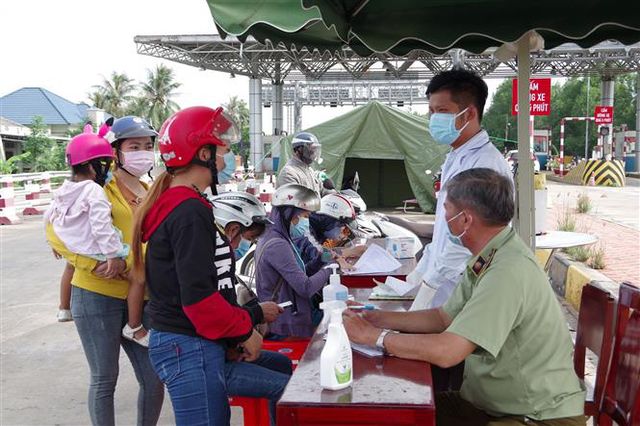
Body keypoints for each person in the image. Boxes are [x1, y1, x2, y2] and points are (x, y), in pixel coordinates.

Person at [344, 168, 586, 426]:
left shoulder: (508, 271)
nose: (443, 218)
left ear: (465, 219)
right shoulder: (490, 256)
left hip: (534, 417)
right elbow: (443, 317)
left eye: (446, 209)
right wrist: (377, 318)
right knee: (393, 412)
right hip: (490, 405)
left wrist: (375, 338)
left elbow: (449, 351)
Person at [132, 106, 291, 426]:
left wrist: (233, 336)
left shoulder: (181, 203)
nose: (226, 161)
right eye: (223, 152)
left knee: (283, 375)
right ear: (203, 153)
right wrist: (246, 331)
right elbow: (200, 301)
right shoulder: (189, 212)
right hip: (186, 346)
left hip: (192, 340)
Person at [45, 115, 164, 425]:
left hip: (144, 295)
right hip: (97, 295)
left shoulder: (150, 188)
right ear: (115, 152)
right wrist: (94, 264)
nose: (142, 152)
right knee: (104, 379)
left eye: (148, 146)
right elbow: (53, 231)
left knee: (154, 378)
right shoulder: (93, 185)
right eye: (134, 146)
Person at [408, 68, 513, 311]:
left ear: (469, 114)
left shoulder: (485, 166)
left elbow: (464, 240)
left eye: (442, 111)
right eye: (431, 111)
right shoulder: (457, 157)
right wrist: (418, 278)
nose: (434, 118)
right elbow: (445, 232)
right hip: (447, 289)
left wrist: (430, 286)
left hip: (463, 290)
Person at [255, 183, 333, 339]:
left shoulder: (279, 237)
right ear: (289, 213)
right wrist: (330, 269)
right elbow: (305, 287)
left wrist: (321, 260)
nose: (306, 221)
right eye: (304, 216)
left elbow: (300, 274)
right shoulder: (277, 244)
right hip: (285, 324)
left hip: (292, 315)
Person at [294, 193, 364, 275]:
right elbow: (318, 254)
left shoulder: (318, 230)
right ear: (330, 221)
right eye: (343, 228)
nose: (344, 236)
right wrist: (340, 258)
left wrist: (350, 251)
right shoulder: (304, 229)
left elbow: (323, 250)